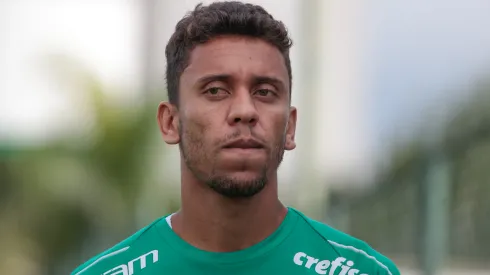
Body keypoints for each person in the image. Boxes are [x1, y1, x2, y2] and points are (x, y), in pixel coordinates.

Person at [71, 1, 400, 275]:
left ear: (289, 126)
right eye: (215, 90)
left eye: (265, 91)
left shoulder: (361, 270)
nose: (245, 110)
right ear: (170, 122)